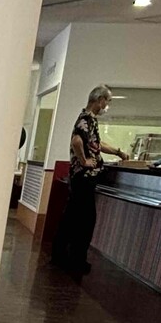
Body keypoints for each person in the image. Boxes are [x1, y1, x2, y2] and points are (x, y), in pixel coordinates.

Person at [51, 85, 129, 276]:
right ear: (100, 100)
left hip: (80, 178)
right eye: (107, 101)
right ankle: (76, 260)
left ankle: (60, 255)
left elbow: (96, 143)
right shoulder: (86, 119)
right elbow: (77, 141)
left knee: (71, 217)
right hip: (84, 178)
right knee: (85, 220)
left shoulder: (89, 120)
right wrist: (84, 160)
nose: (107, 106)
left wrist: (118, 152)